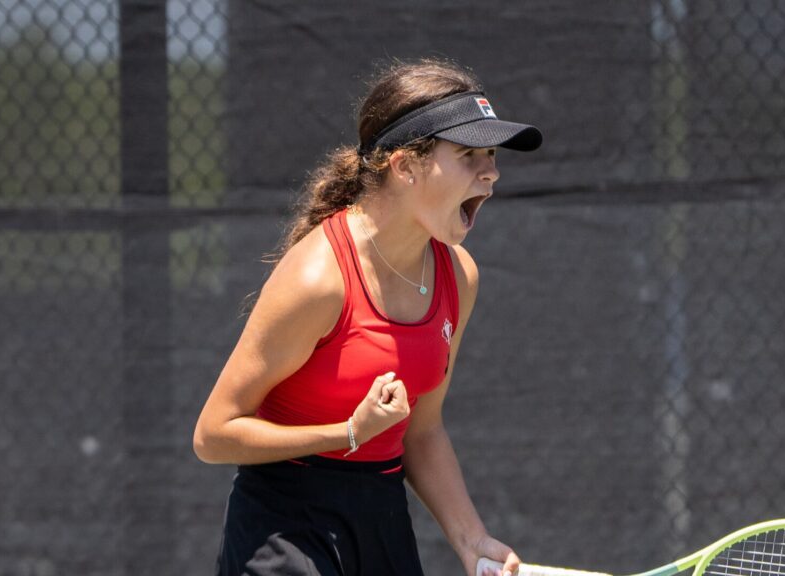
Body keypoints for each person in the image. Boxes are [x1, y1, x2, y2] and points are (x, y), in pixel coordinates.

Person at [193, 59, 542, 576]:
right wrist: (347, 433)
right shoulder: (317, 279)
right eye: (468, 154)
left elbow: (421, 431)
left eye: (490, 155)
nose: (489, 171)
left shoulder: (458, 276)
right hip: (285, 524)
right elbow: (214, 434)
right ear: (405, 167)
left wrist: (472, 541)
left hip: (380, 516)